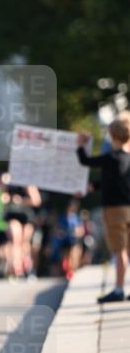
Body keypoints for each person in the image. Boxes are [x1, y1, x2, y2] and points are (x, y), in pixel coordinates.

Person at [77, 116, 130, 303]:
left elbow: (85, 161)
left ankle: (118, 289)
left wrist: (80, 145)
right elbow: (119, 180)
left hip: (115, 209)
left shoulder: (110, 158)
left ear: (112, 135)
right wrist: (97, 186)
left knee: (119, 250)